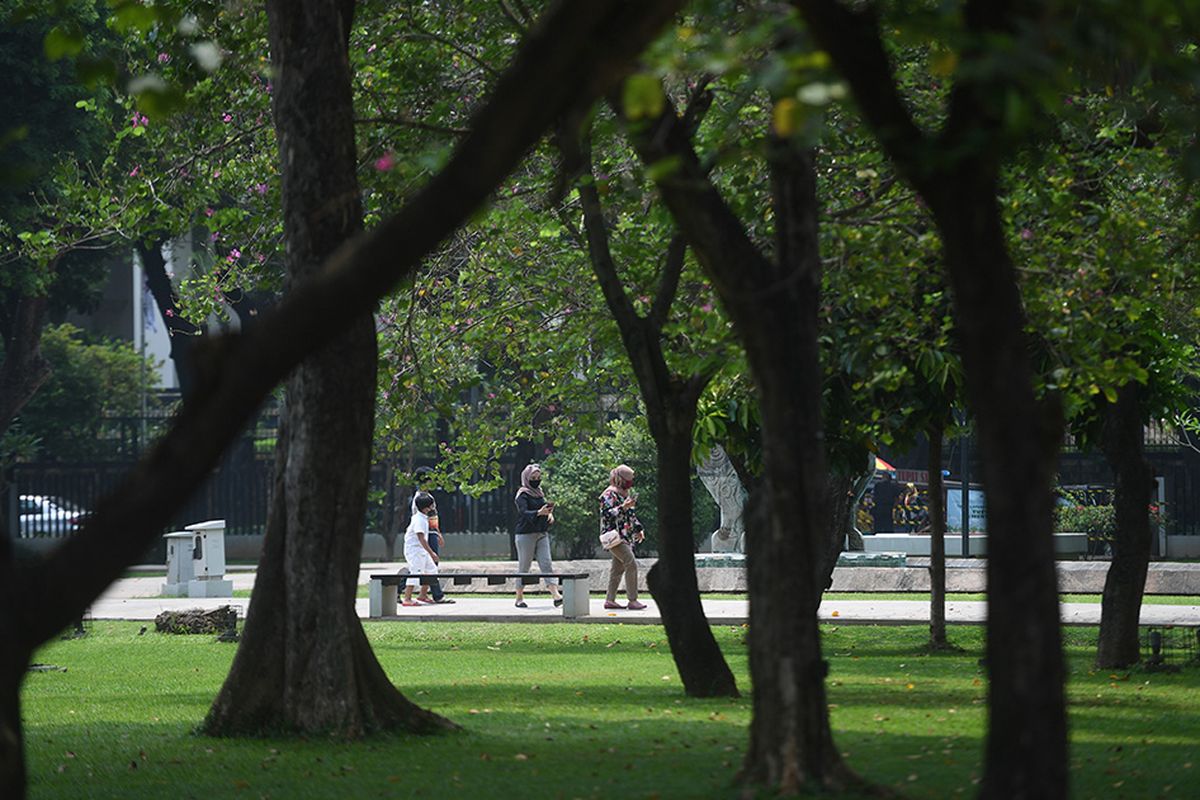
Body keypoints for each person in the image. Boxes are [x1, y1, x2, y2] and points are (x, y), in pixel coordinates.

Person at [513, 463, 563, 608]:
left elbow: (543, 508)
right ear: (527, 478)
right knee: (524, 567)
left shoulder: (539, 492)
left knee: (546, 563)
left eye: (538, 477)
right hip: (525, 534)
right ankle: (519, 598)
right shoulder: (522, 494)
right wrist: (538, 513)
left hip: (541, 533)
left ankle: (555, 595)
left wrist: (549, 514)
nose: (536, 480)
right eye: (533, 477)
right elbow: (523, 512)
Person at [599, 464, 646, 610]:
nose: (630, 483)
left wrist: (639, 529)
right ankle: (632, 600)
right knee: (631, 563)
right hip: (614, 536)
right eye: (628, 479)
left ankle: (610, 600)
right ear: (620, 479)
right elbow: (606, 514)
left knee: (617, 569)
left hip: (625, 535)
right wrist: (622, 507)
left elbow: (630, 515)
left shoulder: (625, 494)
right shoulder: (608, 494)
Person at [411, 467, 453, 604]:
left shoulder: (429, 497)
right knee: (427, 565)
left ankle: (424, 594)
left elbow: (433, 517)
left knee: (430, 565)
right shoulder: (419, 498)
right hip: (426, 534)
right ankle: (437, 595)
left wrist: (438, 533)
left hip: (432, 533)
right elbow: (421, 520)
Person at [402, 492, 440, 607]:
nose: (433, 507)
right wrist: (432, 553)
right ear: (426, 507)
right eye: (431, 505)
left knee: (432, 570)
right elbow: (421, 538)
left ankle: (422, 595)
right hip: (415, 550)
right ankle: (407, 598)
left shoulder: (423, 518)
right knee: (415, 572)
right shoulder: (418, 519)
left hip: (421, 550)